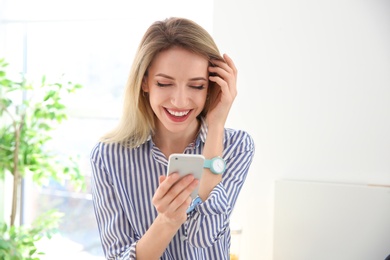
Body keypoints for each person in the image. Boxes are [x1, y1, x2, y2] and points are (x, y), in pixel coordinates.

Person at [90, 17, 255, 260]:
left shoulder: (236, 147)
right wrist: (166, 221)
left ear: (211, 86)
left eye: (196, 86)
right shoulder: (108, 156)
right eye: (165, 83)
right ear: (145, 82)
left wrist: (216, 126)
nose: (179, 101)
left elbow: (203, 236)